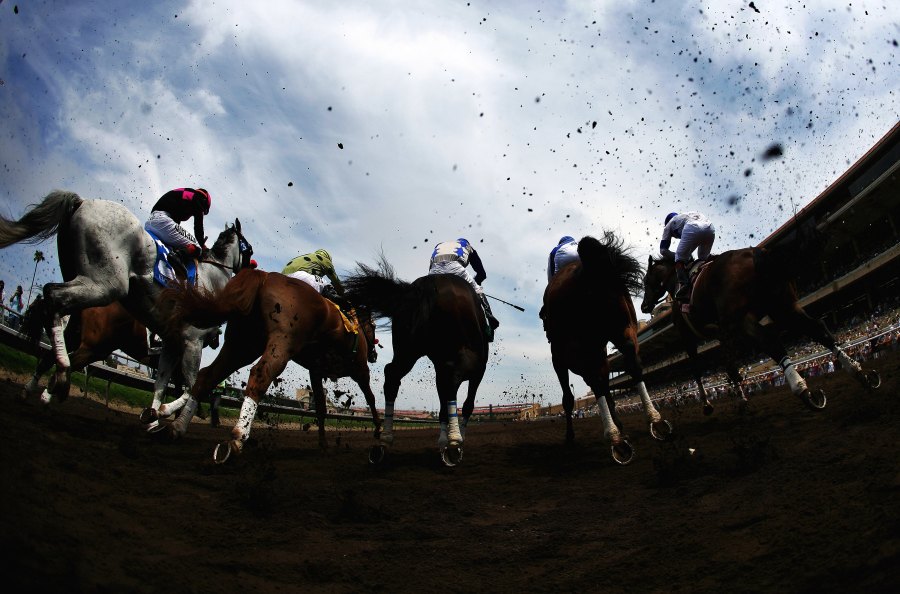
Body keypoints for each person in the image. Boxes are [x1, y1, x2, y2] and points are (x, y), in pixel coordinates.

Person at [428, 238, 500, 332]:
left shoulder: (439, 245)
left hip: (435, 269)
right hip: (455, 267)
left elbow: (431, 266)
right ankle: (490, 318)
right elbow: (481, 274)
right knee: (478, 289)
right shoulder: (468, 246)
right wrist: (473, 286)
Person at [144, 187, 211, 268]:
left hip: (150, 222)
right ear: (205, 201)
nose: (202, 212)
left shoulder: (185, 196)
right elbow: (198, 227)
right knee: (197, 247)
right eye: (204, 210)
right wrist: (202, 245)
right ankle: (176, 257)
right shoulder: (199, 198)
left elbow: (176, 225)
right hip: (163, 221)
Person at [659, 211, 716, 300]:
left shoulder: (668, 225)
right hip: (710, 228)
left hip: (692, 228)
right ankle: (715, 262)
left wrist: (679, 257)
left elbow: (663, 250)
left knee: (679, 257)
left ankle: (684, 286)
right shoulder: (686, 215)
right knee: (703, 258)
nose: (674, 237)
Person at [282, 249, 346, 303]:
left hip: (282, 278)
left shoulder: (305, 256)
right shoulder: (326, 260)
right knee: (326, 285)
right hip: (300, 276)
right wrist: (342, 292)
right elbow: (335, 280)